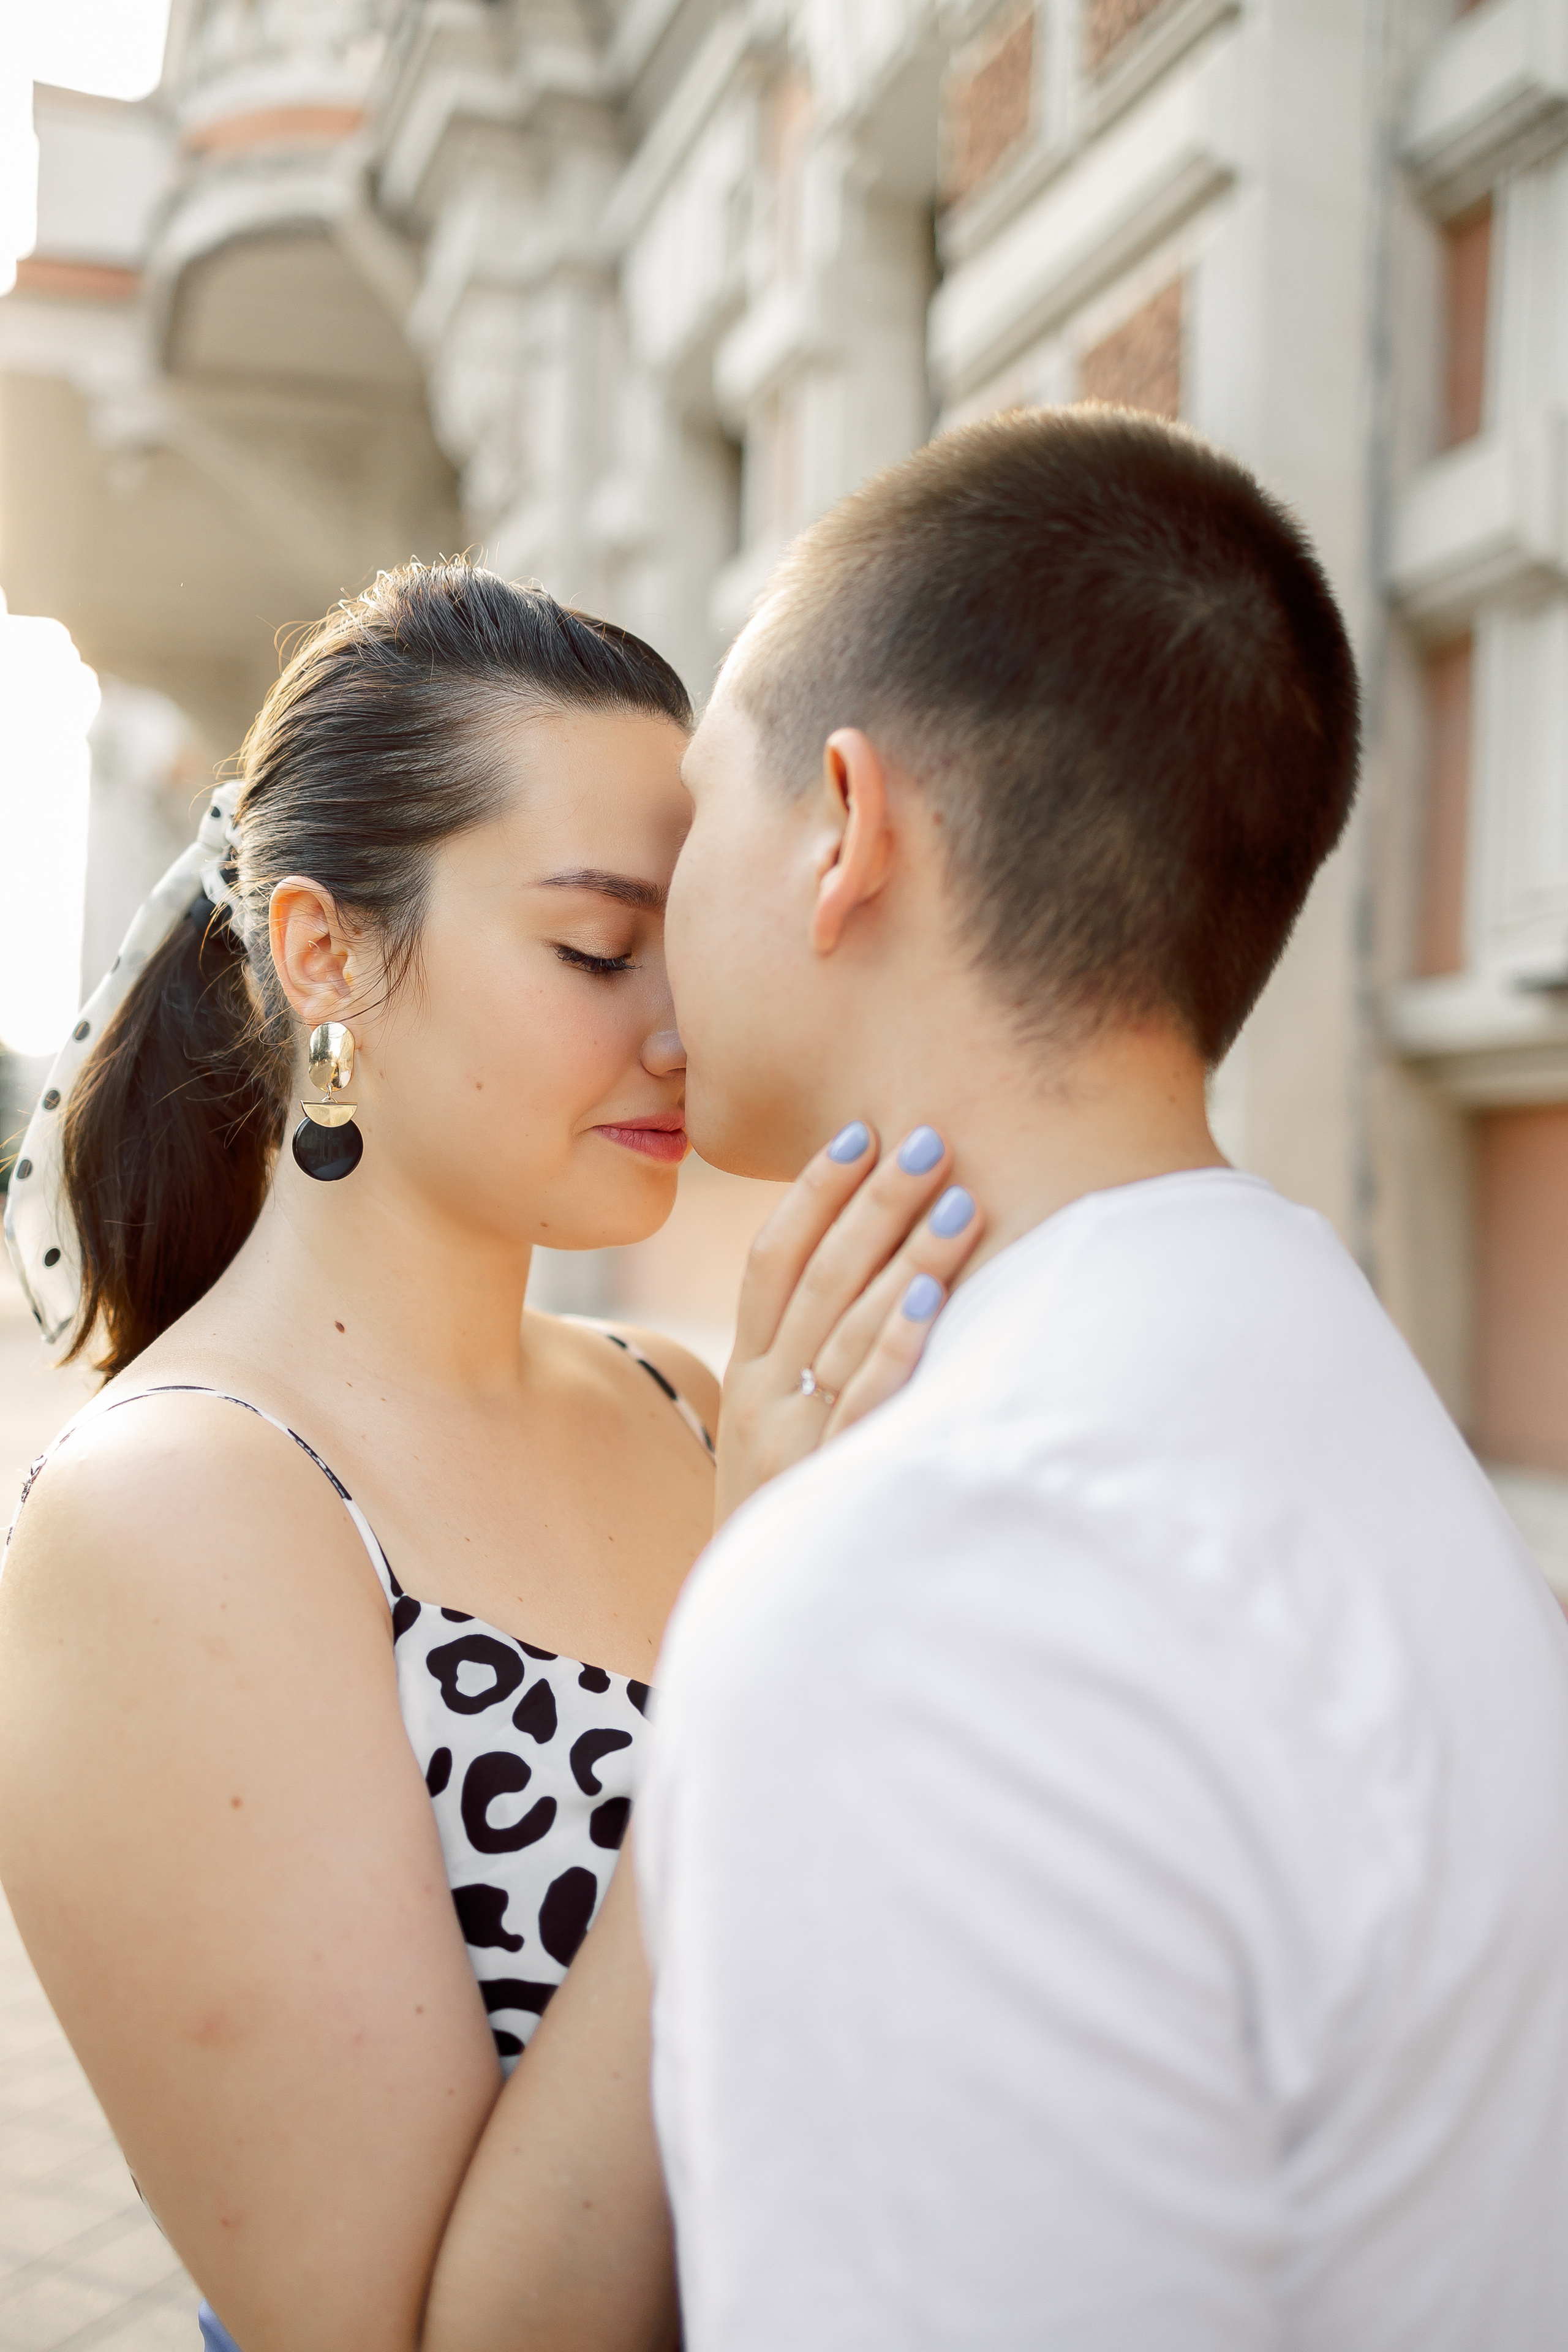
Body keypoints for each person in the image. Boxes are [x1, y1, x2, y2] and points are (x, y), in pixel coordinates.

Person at [637, 404, 1568, 2348]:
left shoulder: (920, 1597)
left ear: (843, 830)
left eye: (688, 819)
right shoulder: (1346, 1395)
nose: (651, 920)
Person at [0, 562, 986, 2352]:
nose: (676, 1028)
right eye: (597, 951)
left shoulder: (694, 1403)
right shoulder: (177, 1509)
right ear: (326, 953)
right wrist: (759, 1643)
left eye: (690, 946)